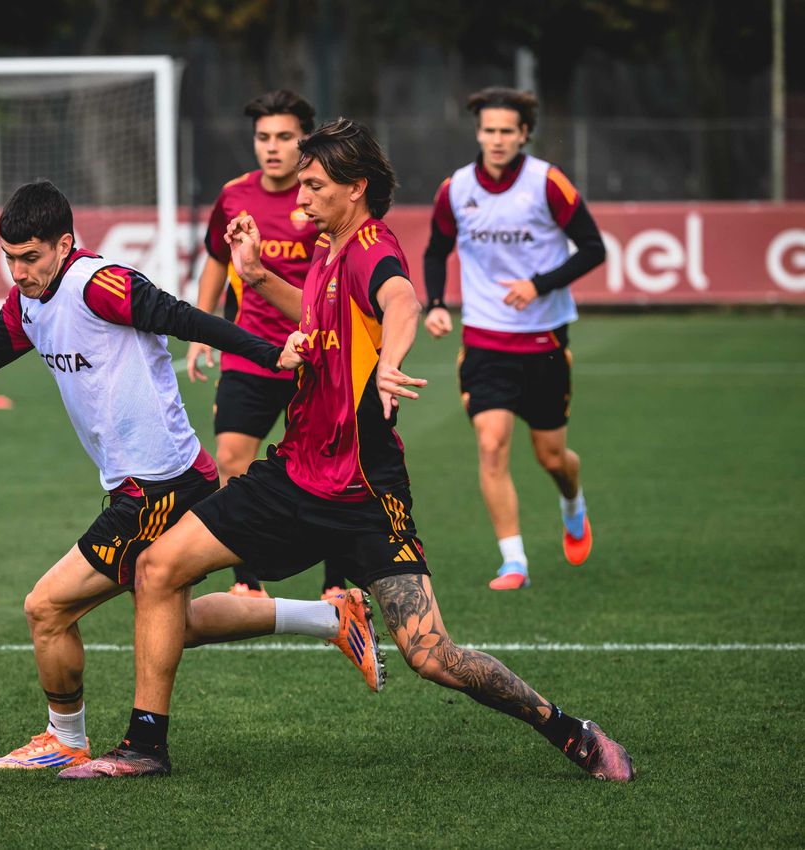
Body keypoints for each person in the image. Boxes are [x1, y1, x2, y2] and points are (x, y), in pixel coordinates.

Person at [59, 120, 633, 783]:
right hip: (294, 473)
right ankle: (144, 746)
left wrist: (391, 362)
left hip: (365, 493)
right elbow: (316, 315)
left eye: (313, 185)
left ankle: (570, 731)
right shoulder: (329, 248)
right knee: (158, 568)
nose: (300, 197)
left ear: (355, 187)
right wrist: (256, 275)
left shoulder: (370, 249)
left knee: (431, 655)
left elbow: (401, 300)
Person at [0, 180, 384, 772]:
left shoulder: (101, 284)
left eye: (30, 257)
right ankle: (331, 617)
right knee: (177, 622)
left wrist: (271, 354)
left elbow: (185, 318)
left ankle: (65, 737)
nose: (19, 272)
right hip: (150, 482)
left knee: (46, 608)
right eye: (9, 259)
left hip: (159, 486)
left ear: (64, 244)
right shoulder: (27, 302)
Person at [423, 87, 606, 590]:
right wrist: (435, 303)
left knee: (552, 457)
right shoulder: (456, 188)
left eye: (507, 130)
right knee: (491, 444)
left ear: (524, 134)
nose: (497, 139)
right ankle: (513, 561)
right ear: (478, 133)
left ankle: (572, 501)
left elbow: (593, 248)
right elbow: (436, 249)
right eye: (489, 130)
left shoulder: (547, 183)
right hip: (484, 340)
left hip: (544, 341)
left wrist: (538, 285)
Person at [186, 89, 351, 601]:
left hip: (319, 355)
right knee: (231, 460)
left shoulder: (322, 194)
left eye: (284, 137)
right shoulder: (234, 195)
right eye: (263, 137)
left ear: (305, 139)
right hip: (251, 351)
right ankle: (246, 580)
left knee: (329, 469)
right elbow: (217, 260)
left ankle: (336, 583)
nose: (272, 147)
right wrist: (201, 330)